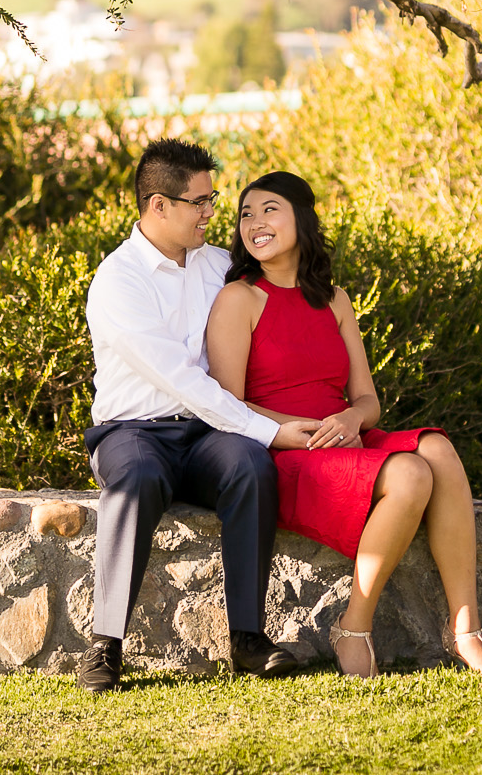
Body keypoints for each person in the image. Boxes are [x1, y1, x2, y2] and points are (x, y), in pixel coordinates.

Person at [206, 171, 482, 678]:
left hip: (342, 437)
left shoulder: (334, 298)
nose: (254, 222)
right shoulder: (240, 298)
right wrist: (300, 427)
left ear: (302, 217)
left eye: (269, 209)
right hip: (283, 449)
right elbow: (228, 404)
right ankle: (353, 626)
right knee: (410, 474)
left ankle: (465, 627)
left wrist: (348, 417)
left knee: (438, 451)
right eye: (245, 213)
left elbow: (368, 399)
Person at [77, 139, 325, 694]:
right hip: (132, 433)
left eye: (213, 200)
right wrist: (271, 429)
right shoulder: (119, 280)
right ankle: (105, 645)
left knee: (250, 467)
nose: (213, 214)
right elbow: (181, 379)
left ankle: (247, 639)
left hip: (210, 432)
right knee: (139, 479)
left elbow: (278, 300)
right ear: (158, 206)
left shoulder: (219, 266)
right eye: (200, 202)